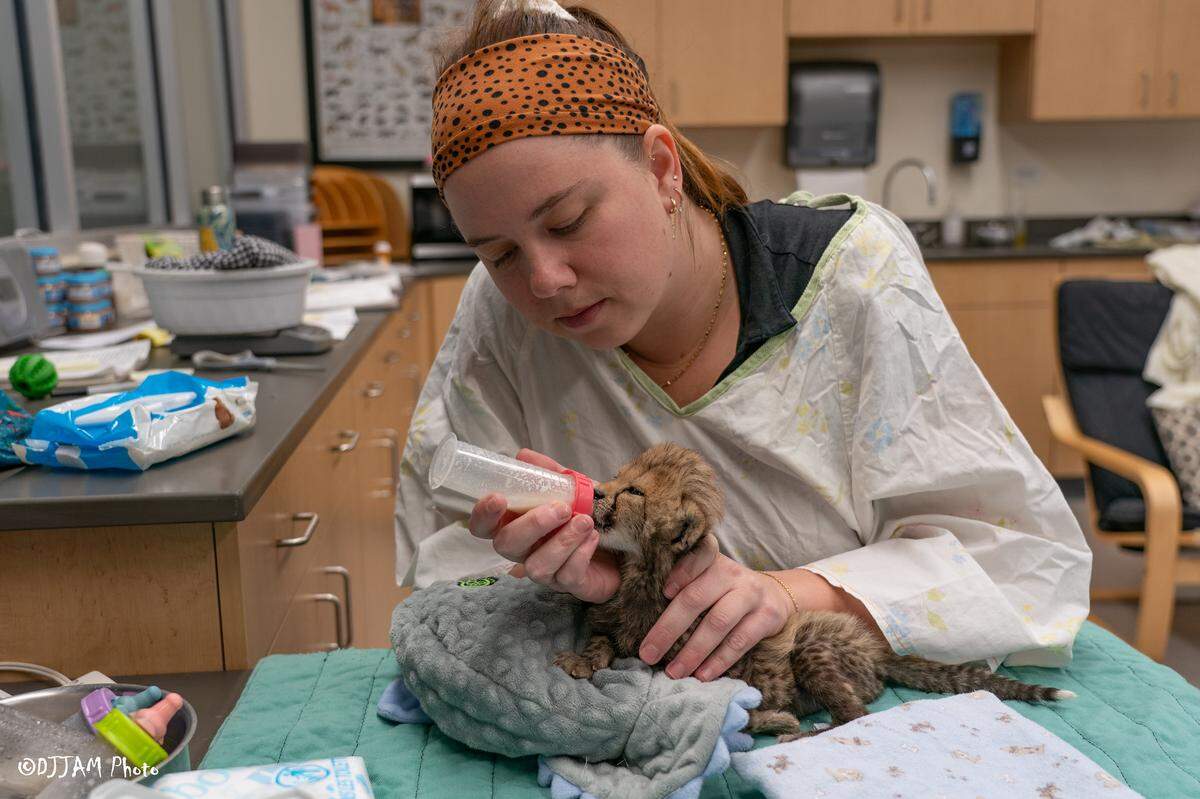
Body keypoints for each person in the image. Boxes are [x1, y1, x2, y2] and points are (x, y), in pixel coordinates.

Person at [395, 0, 1092, 682]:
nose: (544, 280)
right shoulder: (503, 317)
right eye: (499, 253)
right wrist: (585, 586)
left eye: (570, 220)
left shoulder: (848, 275)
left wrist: (789, 593)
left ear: (662, 168)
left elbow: (1021, 564)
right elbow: (448, 573)